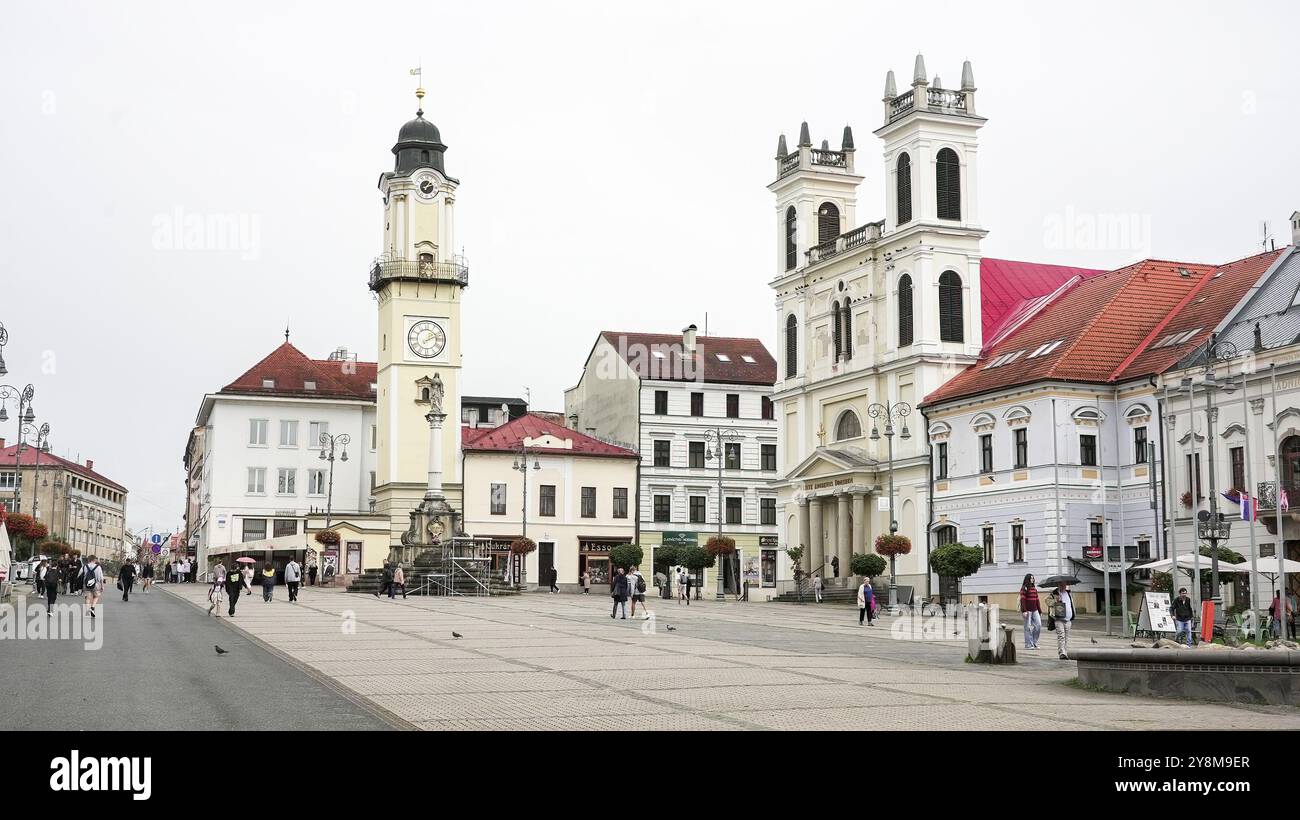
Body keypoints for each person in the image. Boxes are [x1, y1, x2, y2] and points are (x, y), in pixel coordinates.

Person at [1049, 581, 1075, 659]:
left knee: (1066, 637)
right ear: (1058, 585)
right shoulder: (1054, 594)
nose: (1063, 586)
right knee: (1061, 636)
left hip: (1068, 619)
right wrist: (1056, 600)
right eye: (1061, 585)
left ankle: (1065, 652)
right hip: (1058, 619)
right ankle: (1062, 653)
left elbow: (1071, 604)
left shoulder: (1068, 593)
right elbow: (1047, 601)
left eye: (1064, 584)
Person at [1018, 574, 1042, 650]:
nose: (1033, 579)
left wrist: (1039, 610)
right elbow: (1023, 600)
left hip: (1035, 610)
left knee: (1038, 625)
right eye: (1031, 578)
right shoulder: (1024, 588)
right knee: (1027, 628)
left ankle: (1034, 642)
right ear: (1027, 579)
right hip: (1027, 611)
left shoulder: (1034, 589)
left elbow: (1037, 600)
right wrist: (1024, 610)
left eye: (1033, 578)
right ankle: (1028, 644)